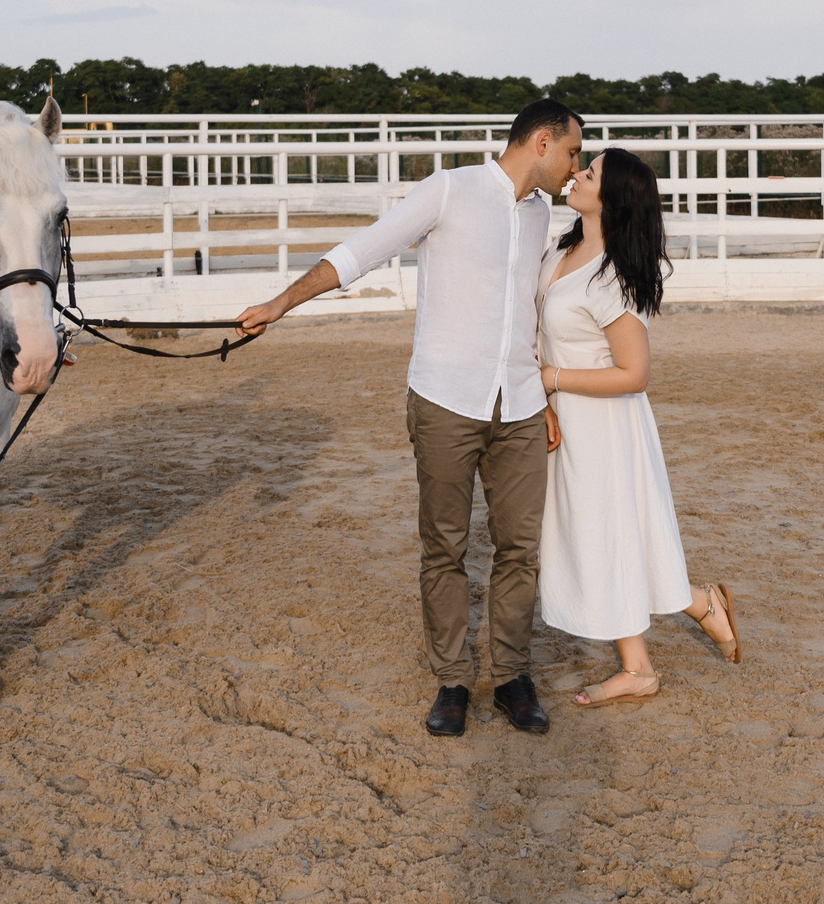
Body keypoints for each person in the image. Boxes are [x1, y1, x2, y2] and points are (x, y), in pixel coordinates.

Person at [237, 98, 584, 738]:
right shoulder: (449, 191)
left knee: (520, 549)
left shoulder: (541, 217)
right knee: (444, 545)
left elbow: (536, 309)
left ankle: (511, 676)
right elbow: (360, 252)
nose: (573, 167)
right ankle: (452, 679)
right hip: (445, 401)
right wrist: (282, 301)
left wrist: (548, 397)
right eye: (571, 152)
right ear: (541, 142)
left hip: (522, 407)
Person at [536, 148, 739, 707]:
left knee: (610, 536)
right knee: (604, 536)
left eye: (590, 173)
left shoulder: (614, 278)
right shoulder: (563, 246)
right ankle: (698, 606)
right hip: (563, 415)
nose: (576, 174)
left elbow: (634, 374)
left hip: (603, 424)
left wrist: (551, 377)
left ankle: (644, 663)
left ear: (613, 198)